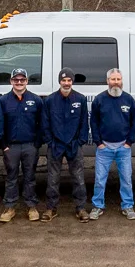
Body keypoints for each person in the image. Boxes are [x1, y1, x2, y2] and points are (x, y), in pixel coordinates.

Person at [88, 68, 135, 219]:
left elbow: (134, 124)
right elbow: (94, 123)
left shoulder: (129, 100)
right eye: (113, 79)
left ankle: (128, 206)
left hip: (123, 147)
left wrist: (129, 142)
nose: (115, 82)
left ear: (121, 81)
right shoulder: (99, 100)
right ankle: (97, 206)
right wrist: (98, 142)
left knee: (126, 180)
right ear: (107, 81)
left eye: (118, 79)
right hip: (104, 147)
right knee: (99, 180)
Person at [0, 68, 45, 223]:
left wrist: (37, 144)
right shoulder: (3, 101)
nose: (19, 82)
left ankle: (31, 206)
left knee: (30, 177)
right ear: (11, 81)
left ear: (26, 81)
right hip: (11, 147)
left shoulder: (36, 100)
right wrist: (3, 145)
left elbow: (42, 124)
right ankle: (9, 207)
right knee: (11, 177)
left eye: (22, 80)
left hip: (30, 146)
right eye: (16, 80)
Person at [43, 69, 91, 220]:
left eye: (69, 80)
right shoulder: (50, 100)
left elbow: (84, 122)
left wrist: (80, 141)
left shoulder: (80, 99)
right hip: (55, 145)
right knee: (53, 178)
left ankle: (81, 208)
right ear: (59, 82)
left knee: (78, 178)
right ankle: (51, 208)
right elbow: (45, 123)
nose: (66, 83)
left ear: (72, 82)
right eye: (64, 80)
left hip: (73, 145)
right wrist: (50, 142)